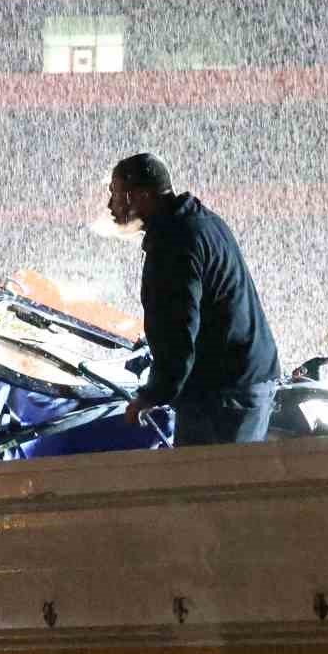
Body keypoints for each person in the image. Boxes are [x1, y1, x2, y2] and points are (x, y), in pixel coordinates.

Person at [108, 154, 280, 446]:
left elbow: (178, 330)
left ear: (142, 195)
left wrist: (153, 394)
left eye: (116, 194)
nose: (111, 206)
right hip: (243, 385)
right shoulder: (199, 222)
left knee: (208, 487)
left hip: (225, 397)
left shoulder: (175, 242)